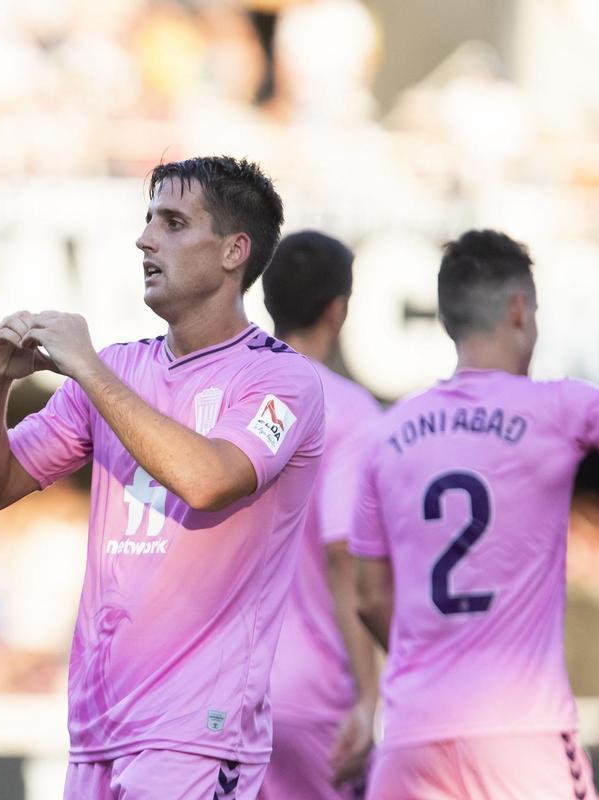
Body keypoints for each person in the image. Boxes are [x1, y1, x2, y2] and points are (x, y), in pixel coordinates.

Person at [0, 155, 325, 800]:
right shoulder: (121, 367)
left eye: (174, 223)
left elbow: (209, 480)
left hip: (198, 732)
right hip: (99, 726)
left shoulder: (280, 379)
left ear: (235, 251)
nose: (145, 239)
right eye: (149, 220)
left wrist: (90, 371)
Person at [350, 156, 599, 800]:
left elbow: (366, 595)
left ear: (448, 320)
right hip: (520, 738)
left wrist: (435, 656)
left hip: (412, 734)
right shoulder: (561, 409)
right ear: (521, 310)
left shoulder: (385, 437)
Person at [258, 231, 379, 800]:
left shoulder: (232, 394)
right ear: (339, 310)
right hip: (311, 692)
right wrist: (369, 697)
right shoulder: (350, 411)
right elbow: (341, 554)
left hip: (221, 685)